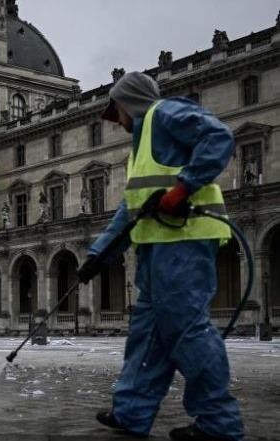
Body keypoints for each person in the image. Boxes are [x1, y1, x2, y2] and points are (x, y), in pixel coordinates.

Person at [80, 72, 243, 441]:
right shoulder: (141, 147)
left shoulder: (165, 113)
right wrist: (98, 255)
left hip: (185, 240)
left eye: (115, 111)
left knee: (188, 331)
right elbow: (132, 208)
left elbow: (219, 137)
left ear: (128, 102)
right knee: (147, 335)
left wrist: (182, 188)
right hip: (156, 249)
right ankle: (132, 412)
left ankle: (218, 423)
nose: (116, 121)